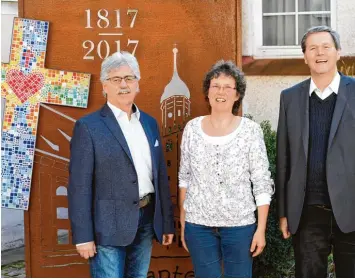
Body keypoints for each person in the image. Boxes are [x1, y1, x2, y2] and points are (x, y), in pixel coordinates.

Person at [68, 51, 175, 278]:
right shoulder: (88, 127)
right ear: (104, 86)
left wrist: (166, 223)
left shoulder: (149, 123)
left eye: (129, 78)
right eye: (116, 79)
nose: (124, 85)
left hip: (146, 221)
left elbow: (160, 176)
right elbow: (79, 187)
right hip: (106, 227)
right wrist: (83, 236)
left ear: (138, 84)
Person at [178, 60, 274, 278]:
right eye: (215, 86)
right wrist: (184, 221)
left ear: (237, 94)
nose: (220, 92)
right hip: (198, 226)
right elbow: (184, 178)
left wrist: (260, 229)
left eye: (227, 87)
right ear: (208, 92)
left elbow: (261, 183)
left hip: (240, 227)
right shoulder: (192, 129)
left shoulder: (251, 131)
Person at [276, 26, 355, 278]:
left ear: (338, 52)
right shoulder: (290, 98)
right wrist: (284, 211)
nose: (319, 53)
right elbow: (284, 158)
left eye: (325, 47)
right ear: (304, 56)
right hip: (307, 210)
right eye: (312, 48)